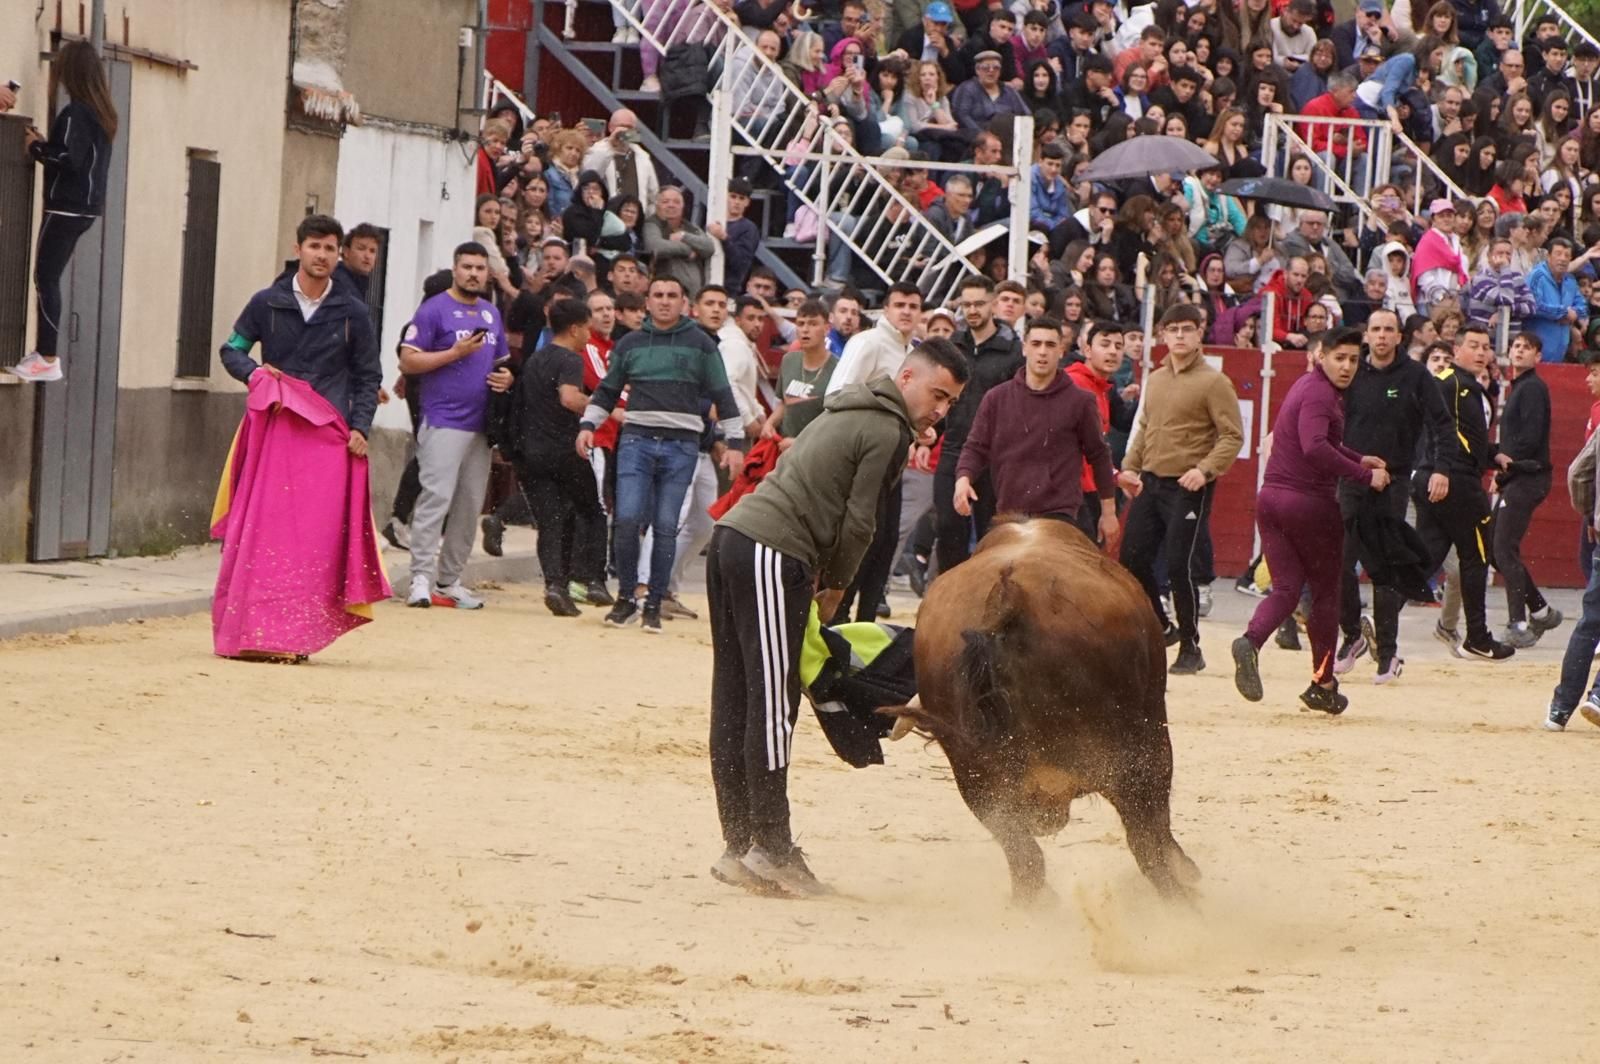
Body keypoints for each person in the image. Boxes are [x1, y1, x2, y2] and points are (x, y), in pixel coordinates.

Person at [705, 338, 968, 896]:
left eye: (950, 403)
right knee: (773, 705)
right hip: (773, 550)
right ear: (907, 378)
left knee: (736, 698)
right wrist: (838, 586)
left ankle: (740, 847)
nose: (940, 411)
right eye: (937, 395)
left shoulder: (850, 406)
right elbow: (859, 523)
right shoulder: (888, 430)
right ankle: (771, 849)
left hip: (735, 539)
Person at [212, 214, 385, 660]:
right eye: (315, 247)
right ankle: (254, 632)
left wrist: (361, 427)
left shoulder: (353, 313)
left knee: (313, 542)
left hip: (328, 436)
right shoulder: (267, 302)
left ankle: (297, 636)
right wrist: (254, 375)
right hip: (276, 429)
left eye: (330, 248)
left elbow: (369, 376)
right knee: (265, 533)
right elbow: (232, 348)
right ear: (298, 249)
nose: (322, 255)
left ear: (338, 254)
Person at [1233, 328, 1390, 715]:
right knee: (1324, 597)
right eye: (1340, 358)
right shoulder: (1322, 394)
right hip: (1310, 505)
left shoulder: (1307, 386)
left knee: (1285, 590)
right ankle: (1322, 683)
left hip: (1271, 500)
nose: (1347, 366)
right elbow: (1315, 447)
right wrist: (1364, 476)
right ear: (1321, 355)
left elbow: (1317, 442)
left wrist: (1356, 458)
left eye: (1354, 359)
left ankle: (1251, 642)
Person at [578, 275, 746, 633]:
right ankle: (626, 598)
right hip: (636, 440)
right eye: (658, 296)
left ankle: (654, 602)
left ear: (683, 303)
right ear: (647, 302)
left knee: (666, 526)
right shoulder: (631, 344)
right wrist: (587, 426)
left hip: (682, 444)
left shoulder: (701, 344)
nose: (665, 301)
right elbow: (607, 391)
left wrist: (735, 444)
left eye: (672, 296)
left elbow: (723, 394)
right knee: (625, 520)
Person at [1118, 304, 1245, 674]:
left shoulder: (1213, 381)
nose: (1178, 336)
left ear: (1199, 333)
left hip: (1188, 486)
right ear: (1162, 334)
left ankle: (1191, 645)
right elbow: (1146, 427)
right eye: (1172, 329)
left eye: (1186, 329)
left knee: (1178, 563)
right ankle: (1163, 626)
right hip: (1152, 480)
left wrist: (1204, 470)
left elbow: (1232, 436)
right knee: (1132, 558)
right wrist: (1129, 467)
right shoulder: (1156, 379)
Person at [1333, 308, 1453, 682]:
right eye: (1376, 329)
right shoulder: (1351, 374)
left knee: (1384, 568)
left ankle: (1387, 652)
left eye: (1389, 329)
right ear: (1366, 335)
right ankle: (1353, 635)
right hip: (1351, 477)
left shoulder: (1416, 376)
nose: (1382, 336)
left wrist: (1442, 468)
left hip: (1394, 480)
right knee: (1339, 560)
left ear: (1400, 337)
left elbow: (1442, 424)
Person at [398, 242, 513, 610]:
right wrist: (453, 354)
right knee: (436, 497)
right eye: (467, 267)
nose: (474, 274)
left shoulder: (492, 313)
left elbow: (501, 363)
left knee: (468, 504)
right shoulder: (433, 311)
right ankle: (420, 577)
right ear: (455, 268)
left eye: (480, 268)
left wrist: (506, 379)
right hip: (444, 417)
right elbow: (407, 362)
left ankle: (450, 580)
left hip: (482, 424)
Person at [954, 316, 1118, 536]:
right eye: (1036, 344)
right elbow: (975, 447)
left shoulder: (1081, 401)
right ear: (1024, 349)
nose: (1042, 352)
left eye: (1050, 345)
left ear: (1061, 351)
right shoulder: (996, 398)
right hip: (1009, 514)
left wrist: (1108, 513)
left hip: (1061, 516)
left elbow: (1099, 455)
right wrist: (963, 480)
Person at [15, 40, 117, 382]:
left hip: (66, 207)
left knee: (45, 277)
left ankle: (46, 356)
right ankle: (45, 354)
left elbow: (67, 159)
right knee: (49, 277)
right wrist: (47, 145)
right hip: (86, 209)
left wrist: (36, 147)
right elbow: (76, 155)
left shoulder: (75, 112)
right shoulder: (101, 113)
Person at [825, 283, 926, 622]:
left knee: (883, 548)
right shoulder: (867, 342)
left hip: (893, 462)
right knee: (861, 543)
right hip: (862, 458)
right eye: (900, 304)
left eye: (913, 305)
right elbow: (837, 393)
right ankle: (836, 624)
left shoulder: (912, 352)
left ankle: (864, 626)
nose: (907, 311)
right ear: (886, 309)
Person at [1414, 325, 1514, 660]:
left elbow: (1466, 436)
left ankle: (1376, 627)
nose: (1482, 353)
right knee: (1476, 557)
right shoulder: (1453, 384)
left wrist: (1492, 454)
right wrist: (1446, 469)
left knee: (1426, 558)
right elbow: (1447, 434)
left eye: (1486, 347)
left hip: (1441, 475)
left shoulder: (1466, 386)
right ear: (1457, 350)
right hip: (1455, 479)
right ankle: (1478, 637)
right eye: (1473, 346)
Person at [508, 298, 610, 616]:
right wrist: (597, 407)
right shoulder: (570, 359)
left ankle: (555, 585)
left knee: (551, 521)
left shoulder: (536, 359)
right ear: (576, 328)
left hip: (531, 451)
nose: (588, 336)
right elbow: (569, 398)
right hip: (564, 450)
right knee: (592, 511)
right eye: (587, 330)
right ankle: (590, 578)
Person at [933, 276, 1021, 576]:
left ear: (993, 305)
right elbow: (940, 395)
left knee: (992, 534)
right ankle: (948, 597)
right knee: (947, 527)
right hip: (955, 447)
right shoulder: (952, 347)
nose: (972, 310)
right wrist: (929, 437)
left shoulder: (1013, 351)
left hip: (996, 455)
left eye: (979, 304)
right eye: (966, 304)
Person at [1494, 331, 1563, 646]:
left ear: (1538, 356)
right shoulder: (1522, 387)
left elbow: (1529, 439)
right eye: (1516, 346)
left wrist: (1507, 466)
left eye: (1527, 347)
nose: (1520, 350)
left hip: (1526, 476)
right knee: (1498, 548)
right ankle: (1540, 610)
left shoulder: (1532, 388)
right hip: (1520, 476)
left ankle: (1518, 623)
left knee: (1503, 548)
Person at [1065, 320, 1138, 543]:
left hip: (1087, 487)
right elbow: (1082, 447)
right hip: (1071, 491)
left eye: (1118, 346)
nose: (1112, 351)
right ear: (1087, 350)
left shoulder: (1103, 387)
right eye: (1105, 344)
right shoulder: (1074, 383)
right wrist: (1115, 476)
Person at [762, 299, 836, 446]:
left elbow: (837, 425)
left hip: (818, 453)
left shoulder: (838, 368)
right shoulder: (789, 360)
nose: (805, 329)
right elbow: (786, 403)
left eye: (813, 324)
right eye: (801, 324)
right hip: (784, 451)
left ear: (827, 328)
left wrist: (799, 444)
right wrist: (770, 423)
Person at [581, 108, 660, 215]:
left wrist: (644, 218)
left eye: (629, 128)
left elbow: (653, 195)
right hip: (605, 219)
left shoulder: (642, 156)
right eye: (621, 127)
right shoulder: (597, 150)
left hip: (634, 222)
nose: (625, 131)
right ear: (610, 128)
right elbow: (589, 176)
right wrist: (610, 146)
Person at [1525, 237, 1591, 363]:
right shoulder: (1537, 276)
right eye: (1558, 254)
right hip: (1536, 348)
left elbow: (1583, 307)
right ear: (1548, 256)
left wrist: (1574, 314)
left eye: (1567, 255)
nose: (1563, 259)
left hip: (1559, 350)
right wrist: (1563, 312)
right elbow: (1533, 305)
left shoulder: (1570, 280)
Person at [338, 223, 382, 302]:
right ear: (346, 251)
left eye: (372, 251)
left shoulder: (358, 283)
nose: (367, 256)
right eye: (361, 248)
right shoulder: (338, 284)